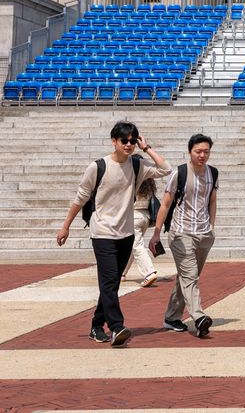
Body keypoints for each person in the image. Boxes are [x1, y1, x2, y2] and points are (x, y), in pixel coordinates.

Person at [56, 121, 170, 347]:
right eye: (124, 141)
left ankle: (97, 326)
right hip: (103, 233)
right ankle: (117, 326)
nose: (128, 145)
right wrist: (65, 226)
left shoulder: (137, 166)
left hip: (126, 233)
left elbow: (166, 169)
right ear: (114, 141)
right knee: (108, 282)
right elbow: (80, 198)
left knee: (112, 283)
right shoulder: (98, 167)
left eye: (132, 141)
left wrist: (146, 148)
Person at [150, 133, 219, 339]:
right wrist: (156, 233)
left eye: (206, 152)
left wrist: (212, 228)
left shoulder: (213, 173)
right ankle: (199, 317)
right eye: (198, 151)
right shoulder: (179, 173)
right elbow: (165, 203)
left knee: (186, 277)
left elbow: (213, 200)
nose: (202, 155)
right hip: (181, 233)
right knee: (190, 276)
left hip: (204, 233)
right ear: (190, 151)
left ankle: (171, 317)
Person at [121, 174, 160, 288]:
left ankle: (149, 272)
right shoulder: (148, 182)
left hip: (134, 216)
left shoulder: (131, 179)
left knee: (137, 245)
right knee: (133, 245)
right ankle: (122, 273)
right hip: (145, 217)